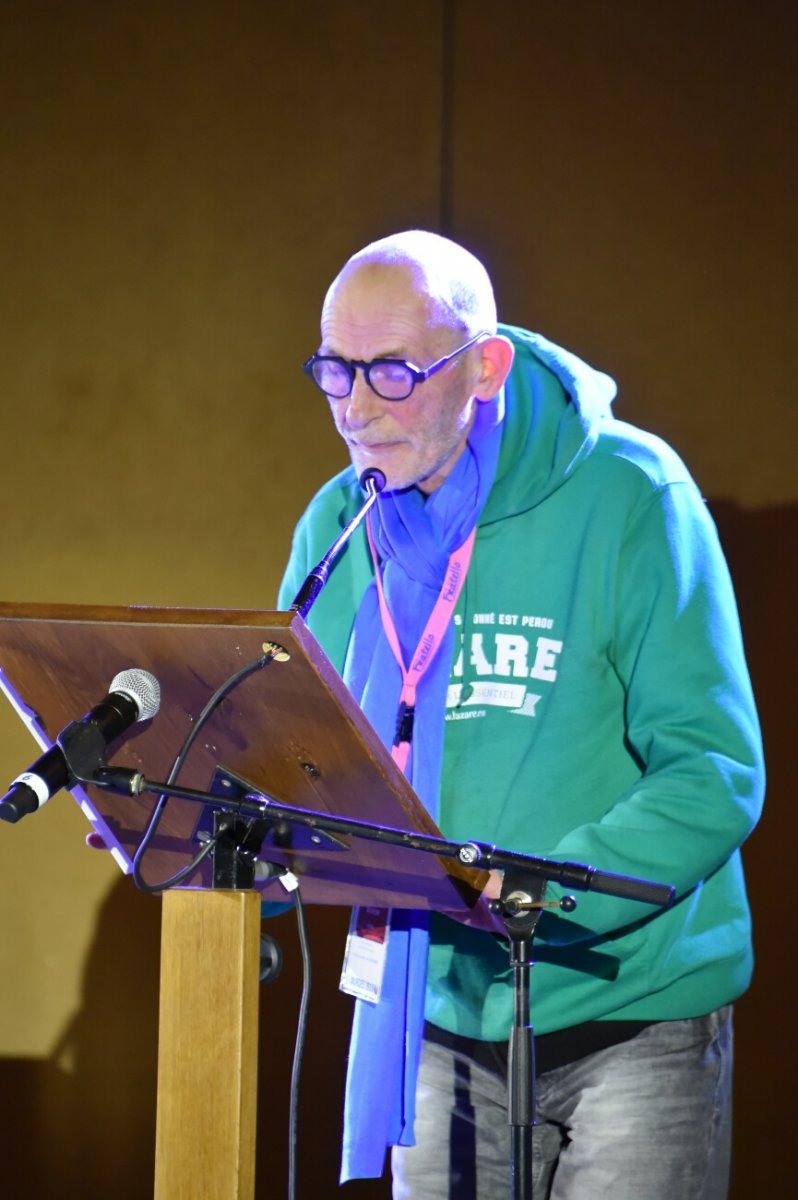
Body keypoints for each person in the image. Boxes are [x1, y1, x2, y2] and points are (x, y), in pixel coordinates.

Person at [278, 230, 764, 1199]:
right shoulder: (342, 522)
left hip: (632, 1014)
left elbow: (712, 770)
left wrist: (546, 891)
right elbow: (292, 748)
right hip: (432, 1010)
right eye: (334, 370)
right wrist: (190, 816)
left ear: (486, 365)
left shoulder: (631, 493)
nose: (356, 408)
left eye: (394, 371)